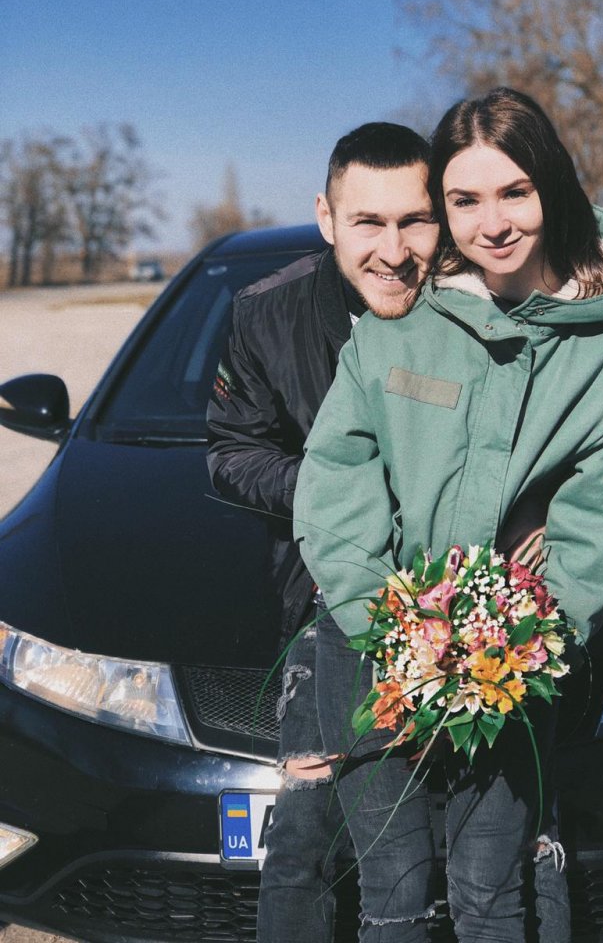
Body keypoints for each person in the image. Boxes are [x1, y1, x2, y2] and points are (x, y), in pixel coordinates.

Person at [294, 87, 603, 942]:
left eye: (515, 193)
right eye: (464, 200)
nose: (492, 224)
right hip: (378, 651)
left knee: (492, 890)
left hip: (510, 666)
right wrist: (398, 635)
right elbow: (338, 478)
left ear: (552, 187)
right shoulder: (401, 320)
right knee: (391, 895)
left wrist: (512, 645)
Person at [206, 121, 439, 942]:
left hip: (454, 603)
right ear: (327, 217)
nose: (394, 250)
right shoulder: (265, 314)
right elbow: (231, 452)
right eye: (368, 221)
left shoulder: (475, 308)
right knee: (303, 832)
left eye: (414, 221)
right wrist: (333, 493)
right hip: (322, 598)